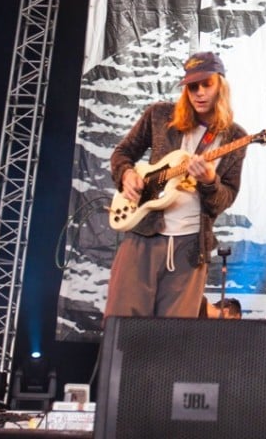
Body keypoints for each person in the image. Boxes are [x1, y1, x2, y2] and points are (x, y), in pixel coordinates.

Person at [105, 51, 248, 319]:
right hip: (144, 235)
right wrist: (126, 175)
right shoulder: (159, 115)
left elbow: (224, 199)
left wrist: (208, 181)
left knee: (173, 337)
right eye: (193, 86)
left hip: (190, 248)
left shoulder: (235, 138)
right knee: (122, 326)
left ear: (221, 85)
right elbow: (122, 154)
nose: (199, 93)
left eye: (207, 84)